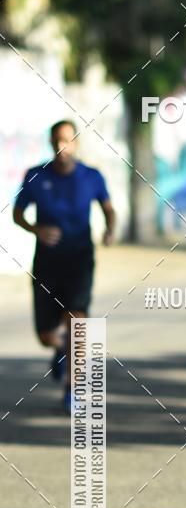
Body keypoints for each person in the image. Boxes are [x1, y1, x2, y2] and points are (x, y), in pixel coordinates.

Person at [13, 120, 116, 414]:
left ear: (76, 144)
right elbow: (17, 214)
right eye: (57, 141)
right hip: (46, 263)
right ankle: (59, 349)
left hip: (80, 260)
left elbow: (109, 210)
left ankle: (73, 388)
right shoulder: (36, 176)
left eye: (68, 141)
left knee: (77, 322)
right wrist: (36, 230)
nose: (62, 147)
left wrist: (110, 231)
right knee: (46, 335)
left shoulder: (91, 176)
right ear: (50, 143)